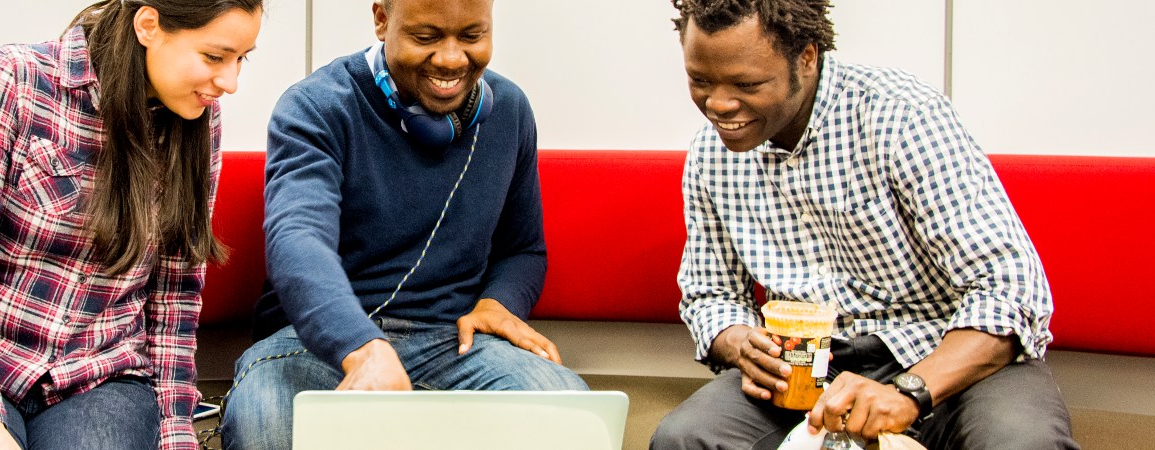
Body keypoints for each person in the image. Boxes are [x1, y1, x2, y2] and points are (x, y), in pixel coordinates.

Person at [651, 0, 1078, 448]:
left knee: (1022, 443)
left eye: (747, 83)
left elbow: (1008, 288)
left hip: (945, 355)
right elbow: (710, 293)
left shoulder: (901, 116)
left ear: (807, 58)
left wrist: (911, 390)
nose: (717, 104)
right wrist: (737, 340)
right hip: (808, 363)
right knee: (685, 438)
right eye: (700, 80)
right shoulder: (709, 152)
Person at [0, 1, 262, 449]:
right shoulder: (18, 78)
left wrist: (175, 433)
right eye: (215, 57)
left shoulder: (198, 116)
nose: (231, 82)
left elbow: (174, 297)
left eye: (242, 59)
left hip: (101, 377)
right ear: (148, 25)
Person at [218, 0, 588, 448]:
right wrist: (361, 347)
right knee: (266, 422)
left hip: (454, 342)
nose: (452, 59)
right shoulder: (315, 106)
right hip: (317, 345)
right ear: (381, 19)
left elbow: (522, 249)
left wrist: (499, 303)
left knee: (570, 414)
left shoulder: (508, 110)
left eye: (472, 36)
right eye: (426, 37)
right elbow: (298, 241)